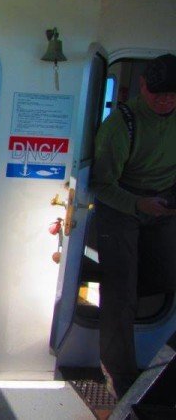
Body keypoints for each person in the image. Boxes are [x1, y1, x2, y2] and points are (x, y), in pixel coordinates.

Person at [90, 53, 176, 400]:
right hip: (121, 205)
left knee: (164, 278)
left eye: (171, 95)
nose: (164, 100)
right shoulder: (120, 125)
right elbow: (102, 184)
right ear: (143, 86)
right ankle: (120, 374)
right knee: (120, 291)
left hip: (164, 203)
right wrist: (139, 205)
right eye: (157, 94)